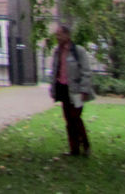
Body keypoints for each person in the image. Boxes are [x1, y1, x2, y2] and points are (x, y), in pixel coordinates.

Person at [49, 24, 93, 156]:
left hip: (76, 90)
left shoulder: (78, 51)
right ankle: (74, 148)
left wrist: (84, 90)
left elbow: (86, 71)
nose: (57, 37)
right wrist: (53, 88)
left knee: (76, 117)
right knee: (68, 119)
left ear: (67, 35)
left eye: (60, 34)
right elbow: (54, 70)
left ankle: (85, 145)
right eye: (56, 34)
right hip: (63, 88)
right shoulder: (57, 52)